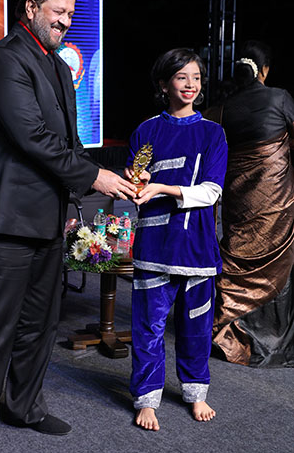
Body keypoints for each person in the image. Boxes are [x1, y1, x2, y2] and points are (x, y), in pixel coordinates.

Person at [0, 0, 136, 453]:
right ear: (30, 7)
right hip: (8, 221)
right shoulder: (6, 58)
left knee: (40, 324)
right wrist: (95, 176)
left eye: (71, 13)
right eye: (58, 10)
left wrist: (93, 188)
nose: (66, 20)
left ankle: (23, 406)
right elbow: (31, 137)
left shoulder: (56, 65)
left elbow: (69, 141)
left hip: (49, 219)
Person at [126, 48, 227, 431]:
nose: (190, 85)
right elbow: (138, 183)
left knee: (196, 327)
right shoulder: (146, 131)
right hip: (154, 246)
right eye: (182, 77)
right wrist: (137, 185)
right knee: (148, 327)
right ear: (164, 83)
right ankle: (146, 398)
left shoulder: (213, 133)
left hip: (197, 248)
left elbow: (211, 192)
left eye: (196, 77)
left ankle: (196, 392)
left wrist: (162, 188)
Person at [208, 41, 294, 366]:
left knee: (238, 255)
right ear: (264, 70)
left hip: (239, 201)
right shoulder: (280, 98)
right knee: (279, 264)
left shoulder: (221, 109)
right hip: (276, 201)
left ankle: (233, 331)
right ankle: (276, 339)